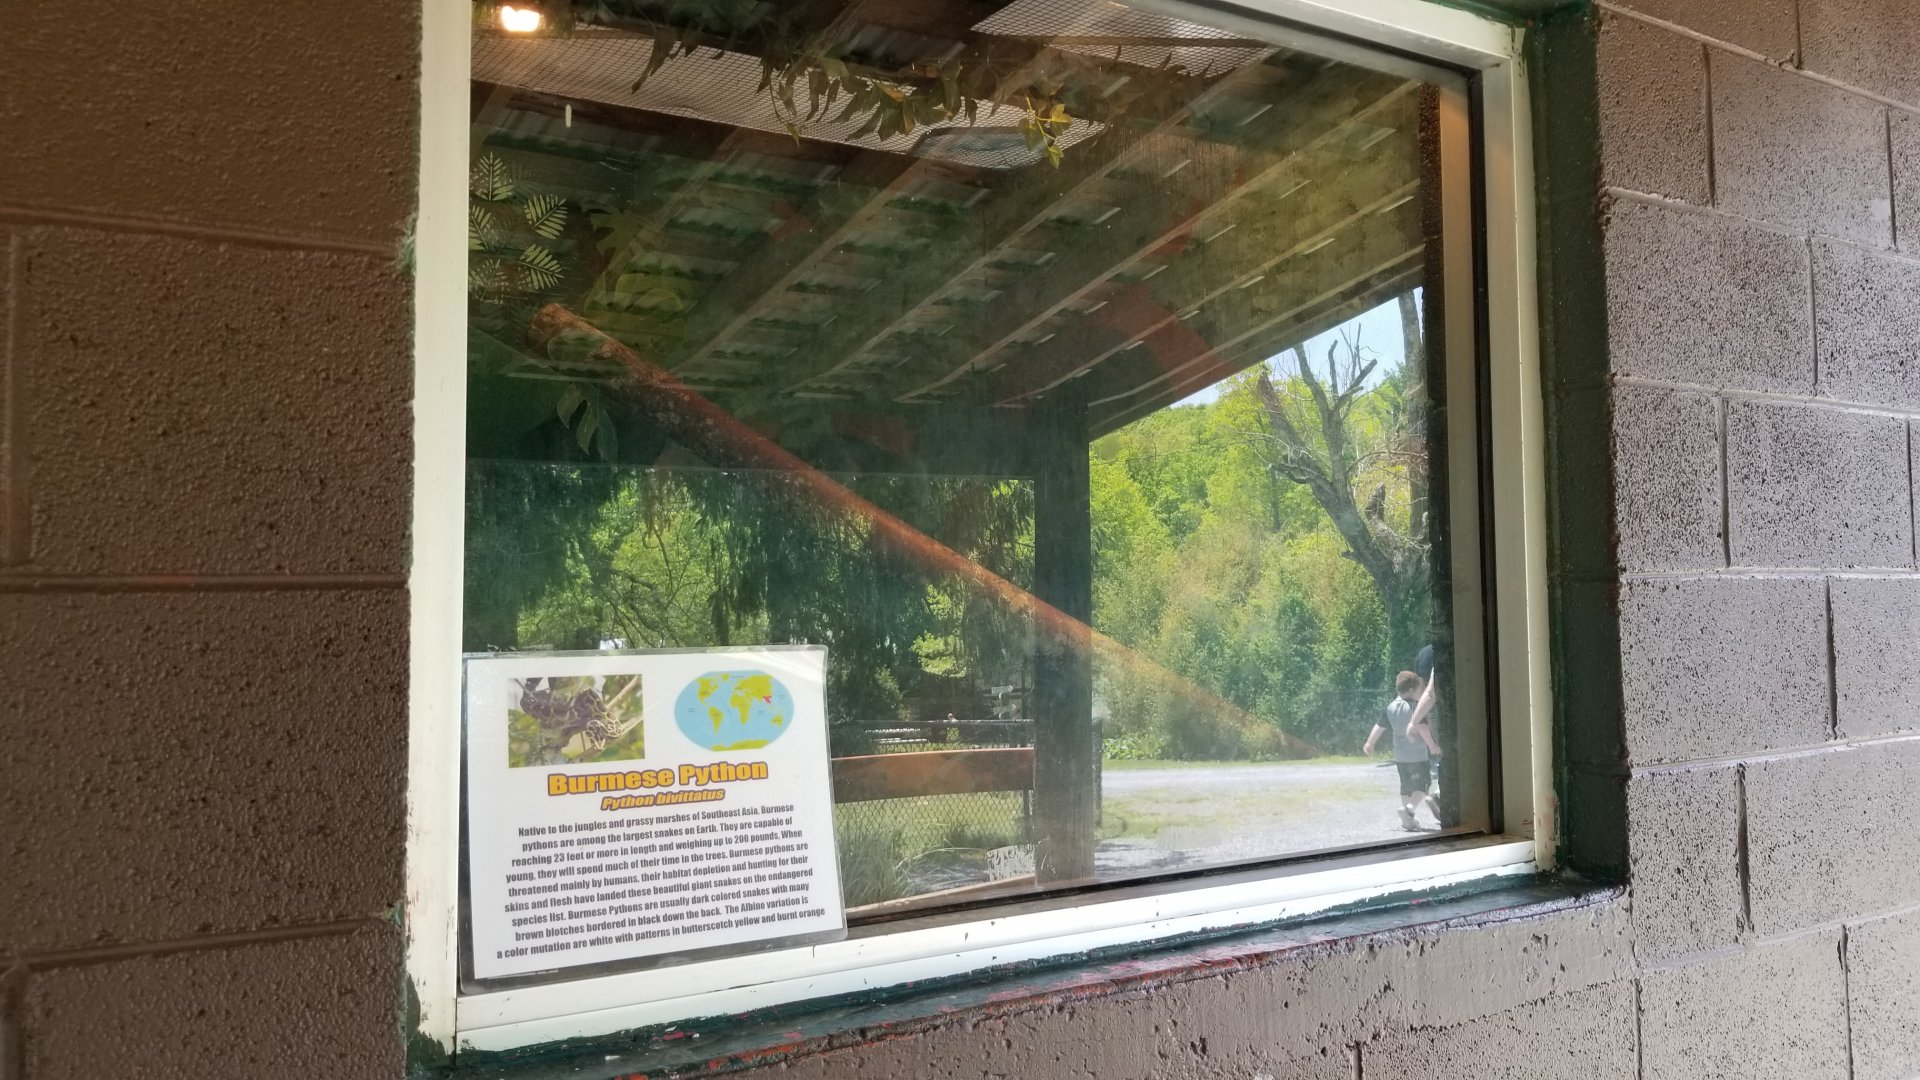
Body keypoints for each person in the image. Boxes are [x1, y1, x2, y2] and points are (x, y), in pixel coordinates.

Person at [1363, 670, 1440, 832]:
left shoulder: (1390, 707)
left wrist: (1370, 743)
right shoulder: (1415, 707)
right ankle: (1410, 809)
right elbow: (1421, 726)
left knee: (1406, 786)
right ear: (1413, 690)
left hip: (1400, 756)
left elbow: (1379, 726)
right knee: (1423, 785)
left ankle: (1408, 819)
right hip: (1417, 755)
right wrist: (1432, 746)